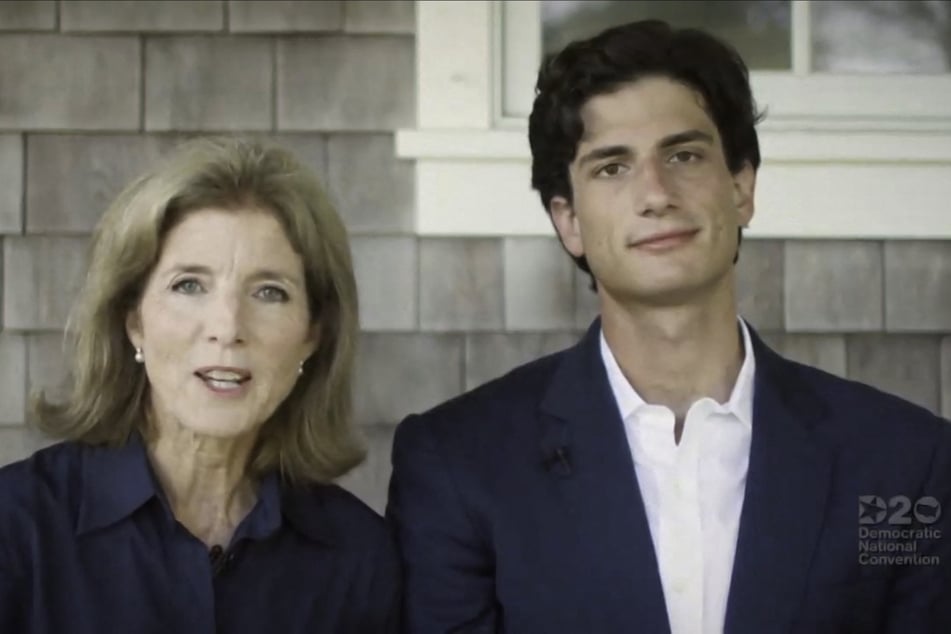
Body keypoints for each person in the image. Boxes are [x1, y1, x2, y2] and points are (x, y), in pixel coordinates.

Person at [387, 19, 951, 633]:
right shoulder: (458, 464)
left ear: (741, 187)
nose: (655, 193)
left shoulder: (903, 461)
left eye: (683, 155)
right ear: (568, 219)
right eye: (611, 167)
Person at [0, 137, 400, 633]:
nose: (228, 326)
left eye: (269, 292)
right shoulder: (17, 528)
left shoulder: (361, 559)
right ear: (133, 322)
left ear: (313, 335)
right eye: (189, 285)